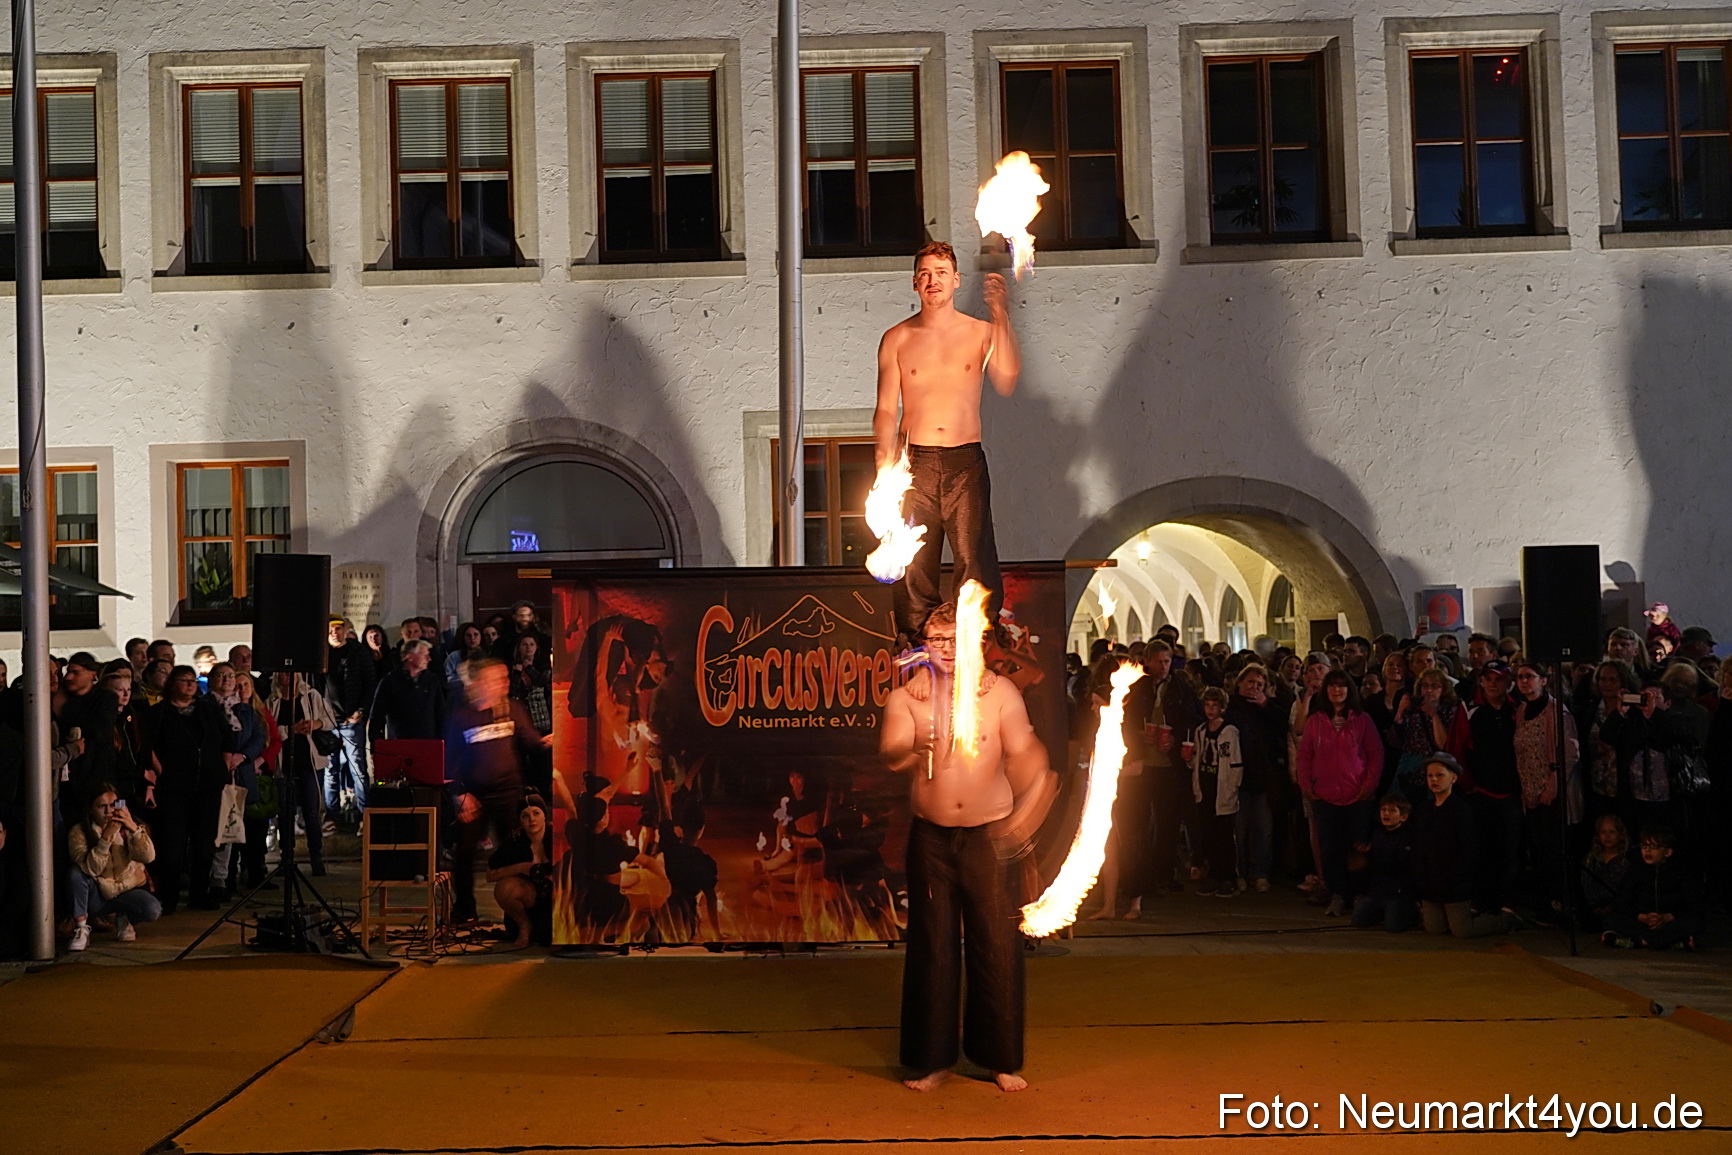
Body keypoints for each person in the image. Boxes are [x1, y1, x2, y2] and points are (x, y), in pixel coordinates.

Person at [881, 600, 1056, 1094]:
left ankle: (998, 1057)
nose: (944, 650)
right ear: (924, 645)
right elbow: (890, 755)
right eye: (936, 641)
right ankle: (929, 1059)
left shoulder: (998, 693)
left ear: (974, 641)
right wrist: (916, 747)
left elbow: (1025, 751)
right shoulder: (907, 696)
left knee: (996, 946)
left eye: (954, 640)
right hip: (931, 835)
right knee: (931, 947)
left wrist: (1030, 802)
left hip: (987, 832)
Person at [873, 240, 1020, 642]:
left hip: (964, 461)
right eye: (924, 274)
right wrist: (884, 466)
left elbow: (1006, 379)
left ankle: (979, 638)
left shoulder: (981, 332)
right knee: (915, 561)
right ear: (914, 284)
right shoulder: (897, 338)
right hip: (914, 461)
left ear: (955, 280)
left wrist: (1000, 315)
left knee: (973, 554)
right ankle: (916, 639)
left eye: (940, 273)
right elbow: (886, 409)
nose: (932, 281)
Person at [445, 657, 551, 923]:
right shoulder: (462, 716)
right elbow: (448, 760)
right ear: (480, 683)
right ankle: (465, 909)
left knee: (515, 850)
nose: (504, 683)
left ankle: (519, 909)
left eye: (504, 678)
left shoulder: (512, 708)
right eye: (497, 679)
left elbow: (529, 741)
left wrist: (546, 742)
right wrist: (460, 794)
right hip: (474, 793)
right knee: (465, 853)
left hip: (508, 792)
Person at [143, 666, 235, 912]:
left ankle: (199, 894)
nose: (190, 685)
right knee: (172, 843)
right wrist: (160, 770)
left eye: (193, 680)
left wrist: (222, 768)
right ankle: (169, 895)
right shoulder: (159, 713)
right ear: (172, 684)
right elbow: (147, 745)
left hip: (207, 785)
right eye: (183, 680)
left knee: (205, 843)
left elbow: (227, 739)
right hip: (173, 787)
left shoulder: (208, 710)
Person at [1295, 669, 1382, 916]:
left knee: (1358, 847)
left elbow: (1375, 754)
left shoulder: (1362, 720)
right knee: (1330, 849)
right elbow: (1305, 756)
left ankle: (1359, 893)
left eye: (1342, 686)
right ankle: (1338, 893)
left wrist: (1369, 785)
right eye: (1332, 686)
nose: (1337, 690)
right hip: (1325, 795)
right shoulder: (1316, 721)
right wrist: (1307, 785)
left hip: (1357, 795)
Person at [1411, 754, 1512, 938]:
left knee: (1463, 931)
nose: (1433, 779)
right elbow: (1419, 845)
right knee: (1434, 928)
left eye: (1439, 775)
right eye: (1429, 775)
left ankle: (1501, 921)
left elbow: (1469, 850)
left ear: (1453, 778)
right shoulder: (1424, 809)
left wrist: (1457, 878)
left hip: (1453, 884)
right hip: (1430, 884)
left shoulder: (1461, 810)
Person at [66, 786, 160, 951]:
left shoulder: (129, 827)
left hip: (125, 889)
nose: (109, 811)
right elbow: (90, 869)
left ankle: (123, 916)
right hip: (97, 893)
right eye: (102, 806)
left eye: (113, 804)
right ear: (91, 809)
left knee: (152, 909)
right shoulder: (79, 831)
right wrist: (106, 838)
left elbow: (148, 857)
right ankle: (81, 928)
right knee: (75, 873)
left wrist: (134, 828)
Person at [266, 673, 336, 876]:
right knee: (286, 813)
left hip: (309, 762)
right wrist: (290, 730)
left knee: (311, 812)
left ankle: (317, 857)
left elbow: (330, 719)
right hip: (284, 762)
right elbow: (268, 730)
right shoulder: (272, 701)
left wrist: (316, 724)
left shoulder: (311, 696)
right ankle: (286, 858)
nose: (287, 676)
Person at [1225, 664, 1283, 892]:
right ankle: (1238, 872)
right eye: (1250, 682)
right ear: (1240, 683)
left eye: (1260, 685)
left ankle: (1260, 873)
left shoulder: (1269, 709)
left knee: (1263, 829)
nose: (1254, 688)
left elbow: (1281, 727)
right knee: (1237, 831)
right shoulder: (1230, 707)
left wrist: (1266, 705)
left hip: (1262, 779)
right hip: (1237, 779)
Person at [1602, 826, 1702, 950]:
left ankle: (1639, 942)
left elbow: (1693, 903)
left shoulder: (1680, 871)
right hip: (1643, 921)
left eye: (1653, 847)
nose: (1647, 851)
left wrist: (1668, 917)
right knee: (1612, 919)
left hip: (1667, 921)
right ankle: (1670, 944)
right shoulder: (1635, 869)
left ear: (1667, 852)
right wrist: (1640, 916)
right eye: (1644, 846)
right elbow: (1622, 900)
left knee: (1694, 923)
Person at [1189, 687, 1243, 896]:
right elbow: (1197, 757)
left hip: (1222, 788)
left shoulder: (1229, 732)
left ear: (1222, 708)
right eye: (1207, 705)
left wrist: (1232, 788)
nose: (1210, 710)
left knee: (1224, 836)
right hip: (1205, 786)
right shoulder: (1201, 730)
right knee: (1208, 835)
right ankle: (1215, 875)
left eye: (1214, 706)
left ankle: (1228, 876)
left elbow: (1234, 761)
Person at [322, 617, 377, 823]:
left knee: (358, 770)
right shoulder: (322, 655)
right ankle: (331, 815)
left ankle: (366, 816)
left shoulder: (358, 652)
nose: (334, 633)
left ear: (345, 630)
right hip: (327, 721)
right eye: (330, 630)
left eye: (338, 628)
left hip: (352, 720)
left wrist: (361, 711)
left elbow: (370, 682)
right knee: (330, 770)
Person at [486, 793, 554, 948]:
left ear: (545, 816)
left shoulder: (557, 837)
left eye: (536, 813)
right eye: (525, 816)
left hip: (556, 900)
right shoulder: (516, 841)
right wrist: (520, 868)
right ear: (520, 820)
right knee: (505, 888)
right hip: (529, 898)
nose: (532, 820)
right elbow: (490, 875)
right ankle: (524, 925)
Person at [1351, 795, 1418, 932]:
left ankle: (1411, 912)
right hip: (1378, 889)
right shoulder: (1378, 834)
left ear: (1403, 817)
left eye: (1392, 810)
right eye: (1383, 809)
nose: (1386, 813)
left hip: (1397, 891)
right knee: (1358, 920)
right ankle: (1383, 912)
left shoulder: (1408, 836)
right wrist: (1363, 857)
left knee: (1393, 927)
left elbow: (1402, 865)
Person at [370, 639, 445, 742]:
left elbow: (440, 712)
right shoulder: (391, 682)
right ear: (410, 656)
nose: (429, 659)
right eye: (424, 655)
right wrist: (376, 746)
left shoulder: (431, 680)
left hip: (428, 743)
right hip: (400, 742)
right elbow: (377, 716)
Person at [1580, 814, 1630, 930]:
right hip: (1594, 905)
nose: (1607, 836)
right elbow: (1587, 884)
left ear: (1621, 835)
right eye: (1603, 832)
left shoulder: (1626, 860)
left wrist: (1611, 906)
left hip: (1616, 906)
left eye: (1612, 832)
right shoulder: (1592, 858)